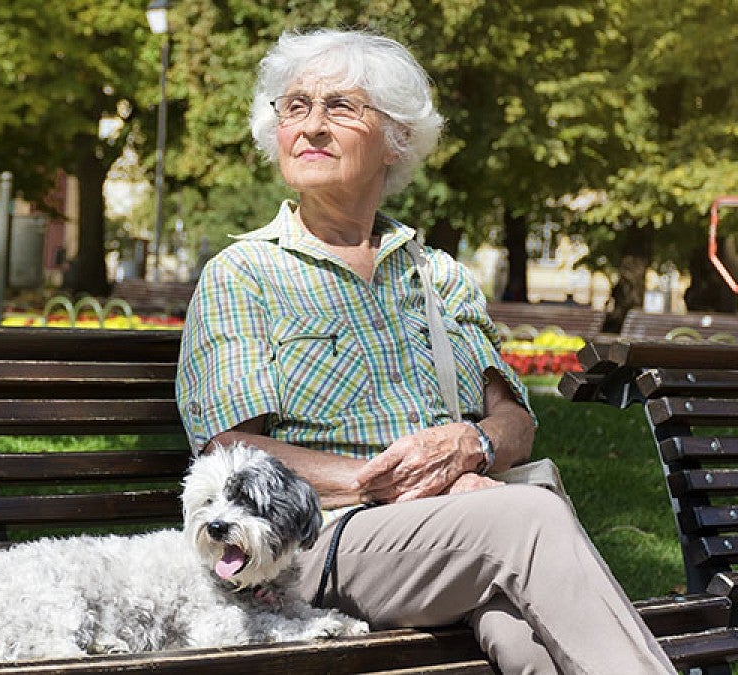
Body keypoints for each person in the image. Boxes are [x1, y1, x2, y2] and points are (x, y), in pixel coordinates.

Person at [176, 29, 675, 674]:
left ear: (397, 138)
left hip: (456, 534)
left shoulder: (438, 275)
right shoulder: (242, 274)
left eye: (340, 108)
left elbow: (515, 422)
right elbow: (232, 451)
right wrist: (378, 482)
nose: (312, 126)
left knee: (529, 641)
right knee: (529, 519)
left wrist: (473, 448)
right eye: (295, 107)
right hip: (317, 540)